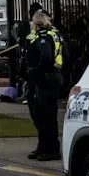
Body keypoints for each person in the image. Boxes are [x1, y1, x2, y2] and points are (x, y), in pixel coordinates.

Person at [22, 8, 64, 161]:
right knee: (38, 114)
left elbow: (46, 57)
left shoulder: (47, 37)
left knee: (47, 116)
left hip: (46, 78)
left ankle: (52, 149)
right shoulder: (36, 36)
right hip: (40, 79)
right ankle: (43, 146)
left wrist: (37, 70)